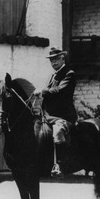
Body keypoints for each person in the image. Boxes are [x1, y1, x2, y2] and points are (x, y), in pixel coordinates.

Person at [33, 47, 77, 177]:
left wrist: (43, 91)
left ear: (63, 58)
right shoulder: (53, 75)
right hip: (48, 115)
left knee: (58, 133)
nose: (54, 62)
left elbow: (60, 91)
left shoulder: (69, 73)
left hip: (63, 116)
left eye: (56, 59)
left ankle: (60, 164)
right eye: (51, 60)